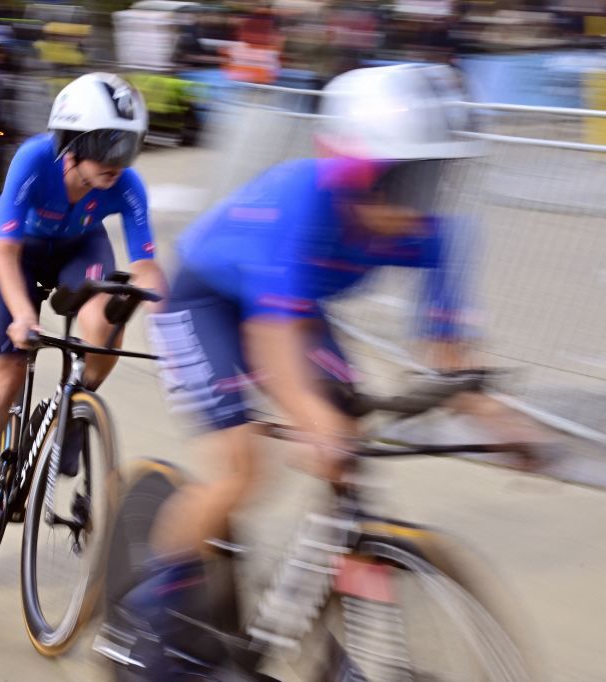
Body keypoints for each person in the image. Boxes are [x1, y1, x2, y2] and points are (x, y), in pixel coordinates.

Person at [123, 63, 502, 674]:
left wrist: (501, 423)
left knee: (346, 442)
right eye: (405, 183)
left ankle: (333, 619)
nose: (418, 207)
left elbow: (449, 346)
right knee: (245, 470)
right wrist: (312, 419)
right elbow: (270, 339)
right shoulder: (303, 198)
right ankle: (147, 632)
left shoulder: (437, 231)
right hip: (206, 301)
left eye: (433, 181)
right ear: (352, 172)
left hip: (294, 307)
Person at [0, 72, 167, 567]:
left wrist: (168, 317)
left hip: (78, 248)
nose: (117, 160)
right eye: (106, 145)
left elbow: (146, 264)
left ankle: (74, 404)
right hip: (16, 253)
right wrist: (23, 315)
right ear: (70, 142)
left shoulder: (126, 184)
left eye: (128, 146)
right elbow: (4, 253)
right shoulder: (33, 160)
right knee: (7, 369)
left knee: (108, 328)